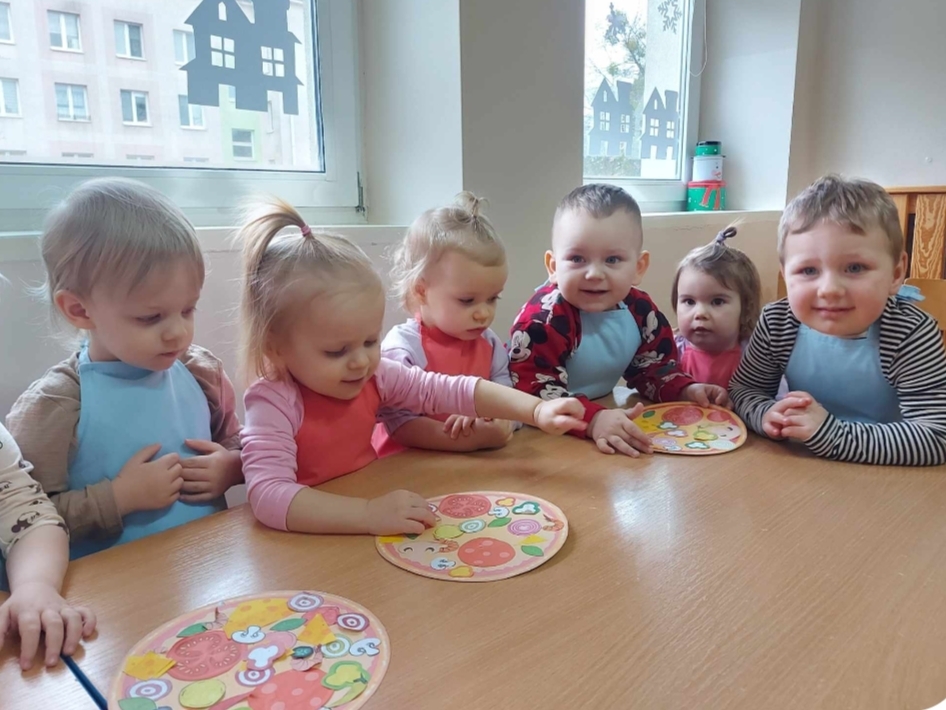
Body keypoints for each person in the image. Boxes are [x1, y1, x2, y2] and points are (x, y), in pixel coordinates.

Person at [238, 197, 587, 536]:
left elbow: (452, 390)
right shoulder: (273, 401)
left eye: (370, 341)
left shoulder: (378, 374)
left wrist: (536, 410)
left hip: (367, 506)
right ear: (275, 347)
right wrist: (366, 515)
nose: (361, 361)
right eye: (336, 351)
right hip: (307, 536)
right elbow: (268, 496)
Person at [8, 178, 243, 558]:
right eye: (150, 317)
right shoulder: (56, 405)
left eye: (187, 309)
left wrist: (233, 465)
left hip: (207, 568)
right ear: (79, 310)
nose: (178, 332)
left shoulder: (202, 373)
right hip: (109, 586)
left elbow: (242, 443)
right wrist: (118, 498)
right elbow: (21, 520)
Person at [730, 175, 946, 465]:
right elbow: (744, 391)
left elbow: (936, 436)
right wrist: (766, 414)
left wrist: (831, 435)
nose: (829, 290)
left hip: (892, 476)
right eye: (808, 271)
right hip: (805, 468)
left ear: (895, 275)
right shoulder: (777, 322)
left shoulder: (910, 332)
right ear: (785, 274)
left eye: (855, 268)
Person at [510, 183, 728, 458]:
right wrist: (593, 419)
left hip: (599, 425)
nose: (594, 274)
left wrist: (686, 389)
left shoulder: (641, 311)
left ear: (638, 267)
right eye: (577, 258)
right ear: (553, 267)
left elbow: (653, 368)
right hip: (535, 439)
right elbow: (534, 394)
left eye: (612, 259)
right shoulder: (542, 322)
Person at [375, 192, 517, 455]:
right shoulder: (403, 348)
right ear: (421, 291)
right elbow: (399, 424)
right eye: (467, 300)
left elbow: (508, 397)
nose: (483, 313)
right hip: (406, 467)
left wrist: (497, 419)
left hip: (473, 462)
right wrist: (468, 440)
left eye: (492, 299)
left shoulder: (489, 342)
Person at [672, 226, 761, 389]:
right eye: (689, 302)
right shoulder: (670, 351)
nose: (700, 313)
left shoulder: (756, 355)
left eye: (717, 302)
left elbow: (775, 398)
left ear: (746, 308)